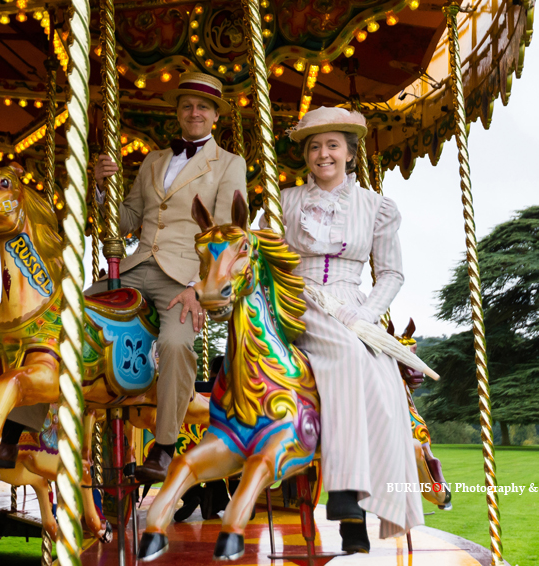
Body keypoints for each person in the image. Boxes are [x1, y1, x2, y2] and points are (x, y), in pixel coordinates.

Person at [267, 106, 422, 553]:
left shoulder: (377, 207)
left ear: (350, 153)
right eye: (315, 146)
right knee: (351, 354)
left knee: (386, 382)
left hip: (353, 303)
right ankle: (344, 494)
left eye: (333, 145)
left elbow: (391, 273)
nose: (323, 154)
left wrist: (365, 315)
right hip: (299, 299)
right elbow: (263, 255)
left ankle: (369, 504)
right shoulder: (284, 202)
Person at [90, 72, 247, 483]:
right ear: (177, 112)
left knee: (176, 344)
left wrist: (200, 288)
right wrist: (102, 188)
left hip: (183, 277)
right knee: (67, 319)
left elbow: (229, 232)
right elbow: (126, 221)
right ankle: (19, 429)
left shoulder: (229, 164)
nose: (194, 112)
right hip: (135, 265)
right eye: (187, 106)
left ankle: (163, 447)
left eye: (203, 107)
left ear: (215, 116)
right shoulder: (154, 160)